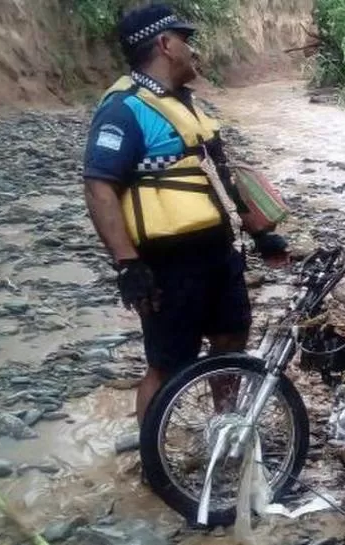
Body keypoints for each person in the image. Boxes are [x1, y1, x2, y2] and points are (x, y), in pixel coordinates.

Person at [81, 4, 289, 425]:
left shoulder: (188, 106)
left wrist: (260, 232)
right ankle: (153, 464)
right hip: (166, 264)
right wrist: (128, 265)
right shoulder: (124, 110)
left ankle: (225, 423)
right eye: (185, 41)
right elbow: (98, 186)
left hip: (218, 252)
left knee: (231, 341)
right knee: (169, 362)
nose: (193, 51)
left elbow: (219, 179)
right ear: (164, 44)